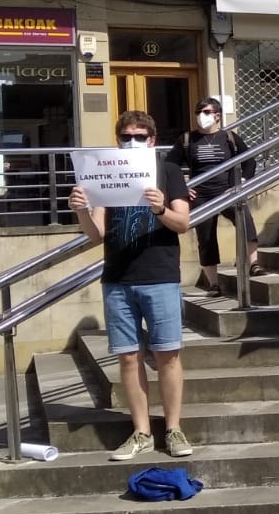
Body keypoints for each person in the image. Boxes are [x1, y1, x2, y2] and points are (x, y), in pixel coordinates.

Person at [69, 109, 194, 462]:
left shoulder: (167, 172)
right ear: (118, 139)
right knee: (128, 357)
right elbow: (96, 235)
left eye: (141, 136)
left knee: (168, 355)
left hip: (160, 276)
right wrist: (81, 209)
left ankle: (172, 428)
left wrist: (160, 210)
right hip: (118, 279)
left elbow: (183, 223)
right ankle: (141, 431)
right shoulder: (105, 172)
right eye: (127, 136)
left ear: (152, 140)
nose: (133, 141)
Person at [168, 97, 264, 298]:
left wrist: (243, 181)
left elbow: (249, 160)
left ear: (217, 115)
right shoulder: (186, 140)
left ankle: (254, 264)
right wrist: (182, 187)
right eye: (198, 112)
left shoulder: (229, 137)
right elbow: (170, 167)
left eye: (206, 112)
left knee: (245, 221)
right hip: (200, 195)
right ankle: (214, 284)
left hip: (228, 192)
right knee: (206, 237)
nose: (201, 116)